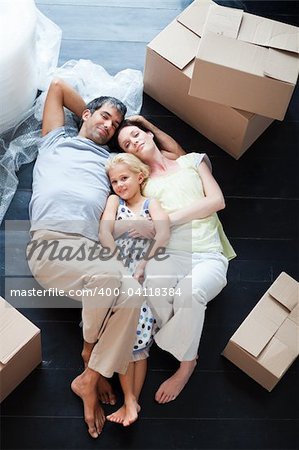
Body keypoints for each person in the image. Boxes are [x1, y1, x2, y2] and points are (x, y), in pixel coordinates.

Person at [26, 79, 185, 438]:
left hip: (88, 253)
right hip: (50, 245)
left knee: (130, 291)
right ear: (85, 114)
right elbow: (57, 87)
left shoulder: (111, 161)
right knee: (114, 279)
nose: (109, 125)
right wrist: (96, 115)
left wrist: (136, 131)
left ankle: (90, 374)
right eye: (105, 117)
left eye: (114, 124)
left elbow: (175, 157)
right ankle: (89, 357)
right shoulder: (56, 139)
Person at [115, 119, 236, 405]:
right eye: (127, 145)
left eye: (135, 135)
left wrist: (166, 219)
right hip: (170, 254)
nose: (134, 142)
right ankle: (182, 331)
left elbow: (217, 200)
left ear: (148, 133)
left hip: (208, 254)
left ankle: (187, 364)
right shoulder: (143, 187)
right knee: (152, 287)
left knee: (189, 293)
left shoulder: (192, 162)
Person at [99, 153, 169, 426]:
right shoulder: (115, 202)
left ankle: (130, 401)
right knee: (121, 337)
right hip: (119, 272)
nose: (118, 185)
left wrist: (142, 266)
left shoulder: (152, 204)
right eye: (114, 181)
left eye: (124, 178)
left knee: (138, 341)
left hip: (145, 273)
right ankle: (132, 402)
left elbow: (163, 233)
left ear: (140, 177)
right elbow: (105, 231)